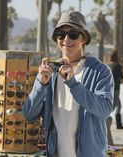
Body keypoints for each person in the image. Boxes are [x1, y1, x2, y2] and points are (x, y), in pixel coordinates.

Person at [23, 11, 114, 157]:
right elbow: (29, 114)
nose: (66, 39)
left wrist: (73, 83)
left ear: (83, 38)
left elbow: (104, 109)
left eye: (73, 34)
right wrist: (40, 84)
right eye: (61, 34)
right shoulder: (50, 72)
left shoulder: (100, 71)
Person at [109, 50, 123, 129]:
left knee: (119, 106)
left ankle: (119, 125)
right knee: (114, 106)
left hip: (110, 87)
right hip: (116, 88)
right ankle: (104, 119)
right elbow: (121, 77)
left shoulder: (109, 66)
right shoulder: (118, 66)